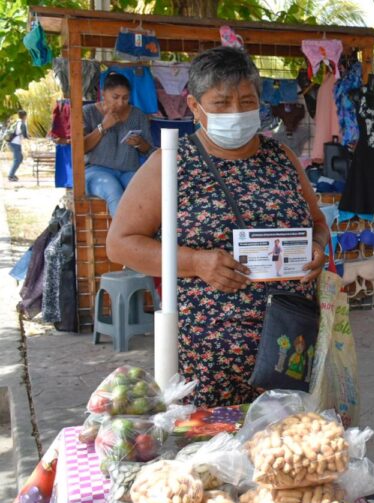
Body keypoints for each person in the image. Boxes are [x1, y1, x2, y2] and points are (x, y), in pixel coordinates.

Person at [106, 47, 330, 407]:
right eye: (222, 103)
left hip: (290, 351)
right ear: (195, 107)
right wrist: (195, 262)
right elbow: (120, 244)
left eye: (246, 101)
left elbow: (317, 221)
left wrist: (317, 248)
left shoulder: (282, 158)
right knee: (213, 458)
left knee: (290, 455)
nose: (237, 112)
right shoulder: (171, 162)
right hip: (210, 359)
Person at [84, 72, 153, 216]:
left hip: (128, 170)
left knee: (147, 191)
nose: (121, 102)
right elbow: (81, 148)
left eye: (125, 98)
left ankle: (149, 234)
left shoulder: (138, 115)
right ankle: (121, 237)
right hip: (96, 171)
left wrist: (140, 143)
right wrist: (102, 127)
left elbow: (150, 150)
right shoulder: (88, 112)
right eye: (115, 97)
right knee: (113, 190)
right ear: (103, 94)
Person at [7, 110, 28, 182]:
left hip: (13, 143)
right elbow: (24, 134)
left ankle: (12, 174)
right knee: (17, 159)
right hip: (14, 143)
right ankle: (11, 175)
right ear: (24, 116)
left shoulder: (17, 122)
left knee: (20, 158)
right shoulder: (22, 123)